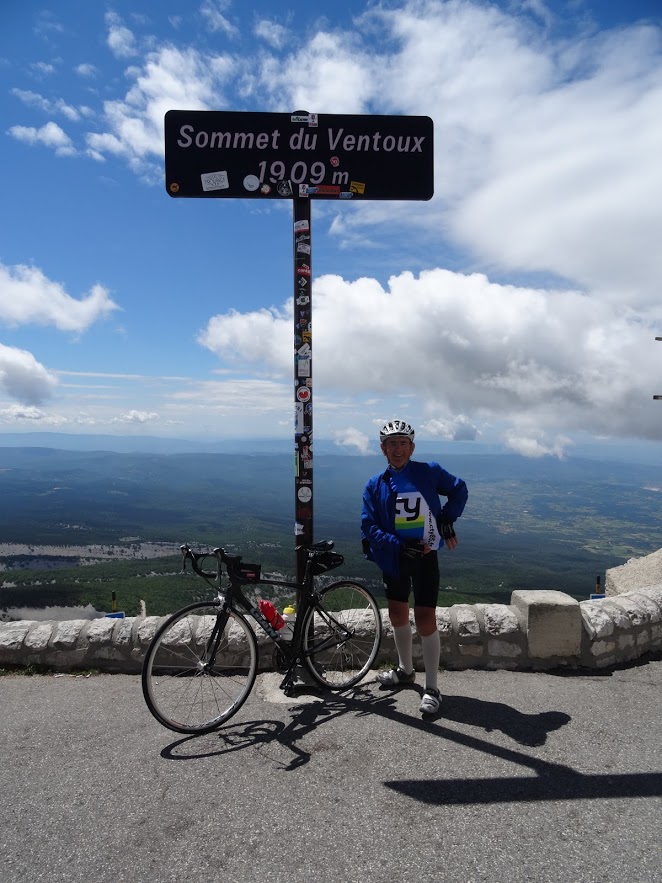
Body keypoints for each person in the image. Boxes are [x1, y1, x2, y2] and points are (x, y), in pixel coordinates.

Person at [361, 420, 468, 714]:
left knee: (424, 618)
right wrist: (397, 544)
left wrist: (447, 518)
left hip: (424, 556)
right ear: (383, 449)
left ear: (412, 447)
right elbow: (368, 525)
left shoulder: (428, 471)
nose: (398, 449)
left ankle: (432, 687)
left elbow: (458, 490)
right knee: (397, 613)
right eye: (391, 444)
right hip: (394, 558)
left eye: (403, 443)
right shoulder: (375, 485)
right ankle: (406, 671)